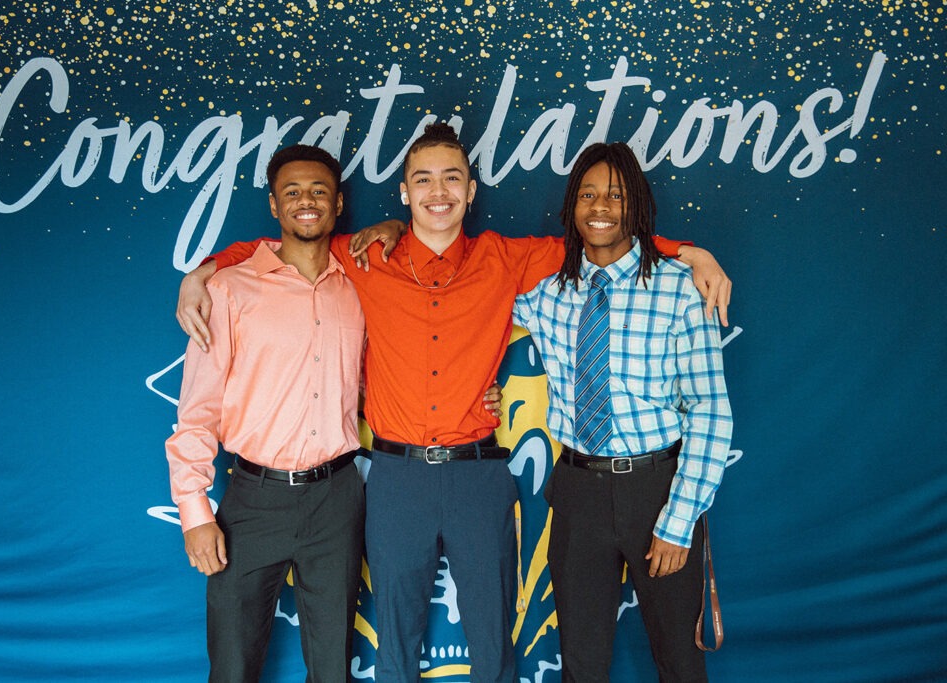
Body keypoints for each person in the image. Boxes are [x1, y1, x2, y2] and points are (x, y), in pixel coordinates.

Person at [175, 124, 731, 682]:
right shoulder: (364, 257)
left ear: (470, 190)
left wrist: (688, 251)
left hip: (478, 474)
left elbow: (602, 240)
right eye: (423, 180)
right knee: (394, 646)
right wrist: (203, 272)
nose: (437, 192)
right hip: (395, 477)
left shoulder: (507, 259)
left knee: (495, 647)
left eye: (450, 179)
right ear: (404, 192)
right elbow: (282, 244)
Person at [512, 141, 734, 682]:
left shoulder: (681, 289)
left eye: (615, 194)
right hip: (578, 489)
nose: (600, 207)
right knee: (582, 664)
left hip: (656, 488)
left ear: (636, 203)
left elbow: (710, 412)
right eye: (587, 194)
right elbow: (462, 306)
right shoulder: (546, 294)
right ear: (572, 207)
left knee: (680, 661)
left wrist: (678, 524)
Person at [165, 144, 367, 682]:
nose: (308, 201)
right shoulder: (227, 290)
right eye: (293, 192)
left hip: (337, 497)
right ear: (275, 207)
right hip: (254, 500)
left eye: (319, 191)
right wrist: (195, 513)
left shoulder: (361, 284)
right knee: (232, 665)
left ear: (339, 202)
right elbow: (197, 412)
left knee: (332, 667)